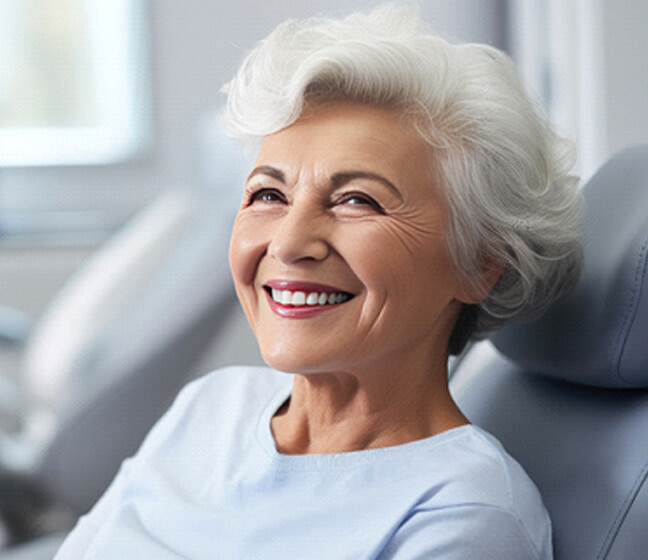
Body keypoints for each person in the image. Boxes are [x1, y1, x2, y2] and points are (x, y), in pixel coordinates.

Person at [55, 4, 583, 559]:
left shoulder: (463, 514)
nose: (286, 243)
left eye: (358, 200)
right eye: (268, 195)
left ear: (478, 264)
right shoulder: (211, 405)